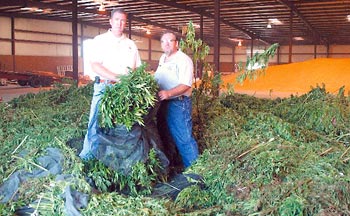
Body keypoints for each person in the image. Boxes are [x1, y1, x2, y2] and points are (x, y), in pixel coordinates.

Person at [79, 8, 141, 159]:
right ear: (111, 21)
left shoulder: (131, 45)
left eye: (123, 20)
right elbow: (95, 65)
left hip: (124, 90)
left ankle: (114, 158)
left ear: (125, 23)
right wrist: (117, 77)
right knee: (95, 121)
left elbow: (138, 69)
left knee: (121, 124)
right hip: (104, 87)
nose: (120, 23)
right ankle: (87, 157)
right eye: (117, 20)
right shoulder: (100, 41)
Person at [154, 31, 199, 168]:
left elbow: (186, 84)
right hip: (163, 103)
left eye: (170, 41)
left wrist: (168, 93)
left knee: (184, 139)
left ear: (177, 43)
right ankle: (174, 168)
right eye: (163, 41)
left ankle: (196, 173)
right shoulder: (163, 58)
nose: (166, 44)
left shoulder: (183, 59)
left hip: (178, 104)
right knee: (166, 137)